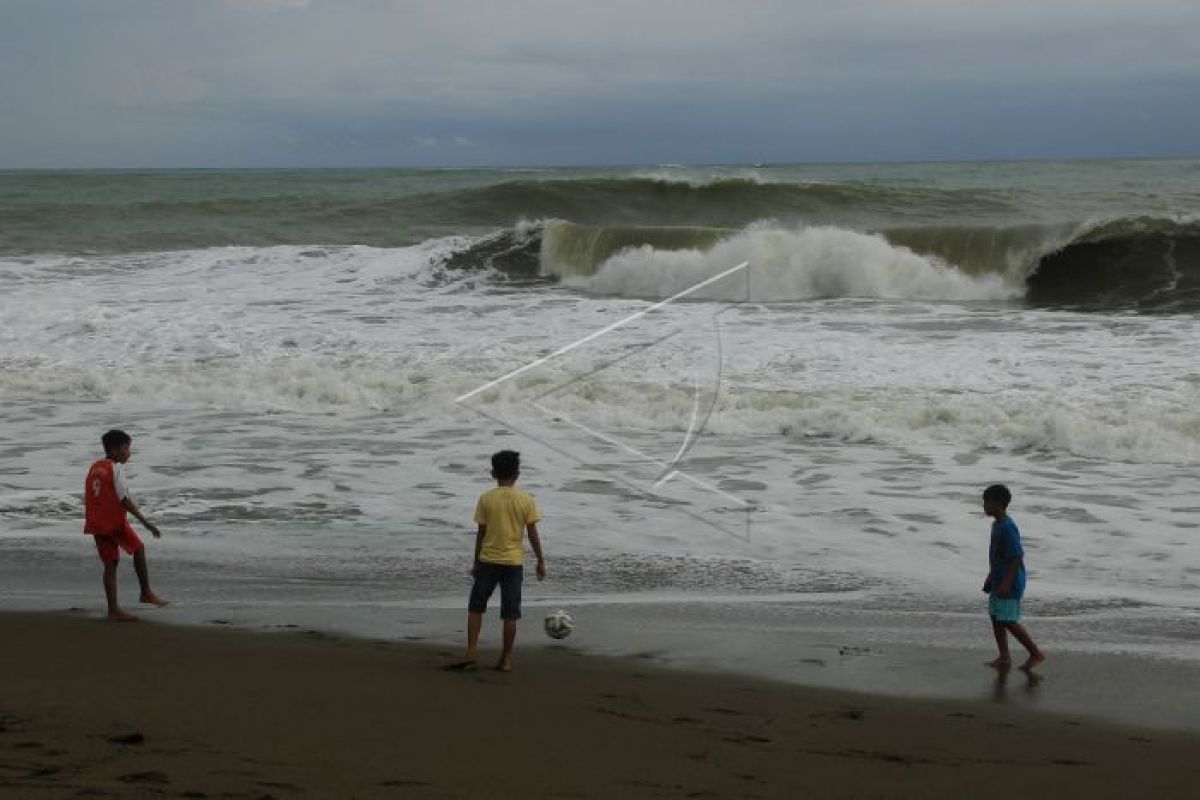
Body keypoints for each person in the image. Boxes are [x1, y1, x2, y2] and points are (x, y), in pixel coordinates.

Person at [452, 450, 546, 673]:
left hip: (488, 560)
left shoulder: (486, 499)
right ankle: (506, 659)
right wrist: (540, 560)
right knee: (510, 613)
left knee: (476, 606)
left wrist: (476, 562)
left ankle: (472, 650)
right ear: (518, 474)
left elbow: (481, 533)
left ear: (493, 473)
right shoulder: (526, 500)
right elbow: (532, 533)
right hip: (513, 563)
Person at [84, 429, 167, 621]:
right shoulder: (116, 468)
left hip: (96, 522)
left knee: (110, 565)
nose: (129, 453)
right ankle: (145, 593)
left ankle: (113, 610)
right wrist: (147, 523)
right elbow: (125, 500)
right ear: (113, 450)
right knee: (138, 548)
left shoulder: (95, 467)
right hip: (113, 522)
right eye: (126, 448)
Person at [981, 484, 1043, 671]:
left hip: (1011, 581)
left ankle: (1035, 653)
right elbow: (997, 555)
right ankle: (1004, 656)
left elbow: (1016, 556)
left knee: (1007, 619)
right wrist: (991, 576)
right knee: (995, 617)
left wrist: (1007, 583)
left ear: (1000, 504)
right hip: (999, 579)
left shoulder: (1007, 527)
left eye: (987, 502)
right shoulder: (997, 524)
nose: (984, 506)